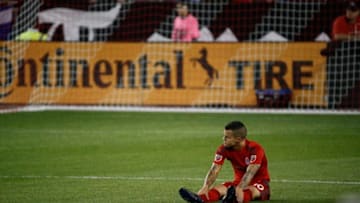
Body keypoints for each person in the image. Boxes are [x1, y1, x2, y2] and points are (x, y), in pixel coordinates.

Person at [179, 121, 270, 203]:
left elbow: (251, 172)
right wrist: (206, 186)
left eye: (227, 137)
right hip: (237, 183)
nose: (223, 139)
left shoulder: (255, 148)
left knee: (248, 191)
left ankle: (232, 199)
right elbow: (215, 169)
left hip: (259, 183)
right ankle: (199, 199)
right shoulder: (224, 149)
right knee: (218, 190)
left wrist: (240, 188)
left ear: (238, 139)